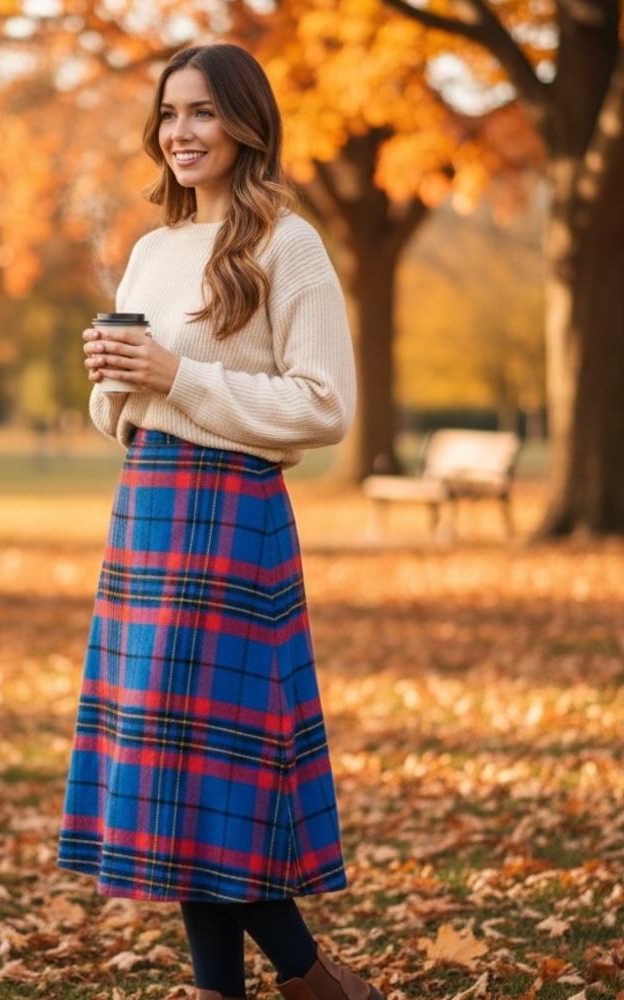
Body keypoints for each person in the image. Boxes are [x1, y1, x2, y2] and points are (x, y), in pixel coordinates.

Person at [57, 43, 381, 1000]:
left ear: (245, 124)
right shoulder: (154, 250)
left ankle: (302, 979)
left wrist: (178, 376)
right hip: (150, 509)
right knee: (180, 775)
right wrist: (112, 383)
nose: (181, 133)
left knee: (212, 779)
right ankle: (310, 981)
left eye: (201, 113)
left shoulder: (291, 244)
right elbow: (129, 410)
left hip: (232, 520)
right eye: (168, 115)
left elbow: (325, 406)